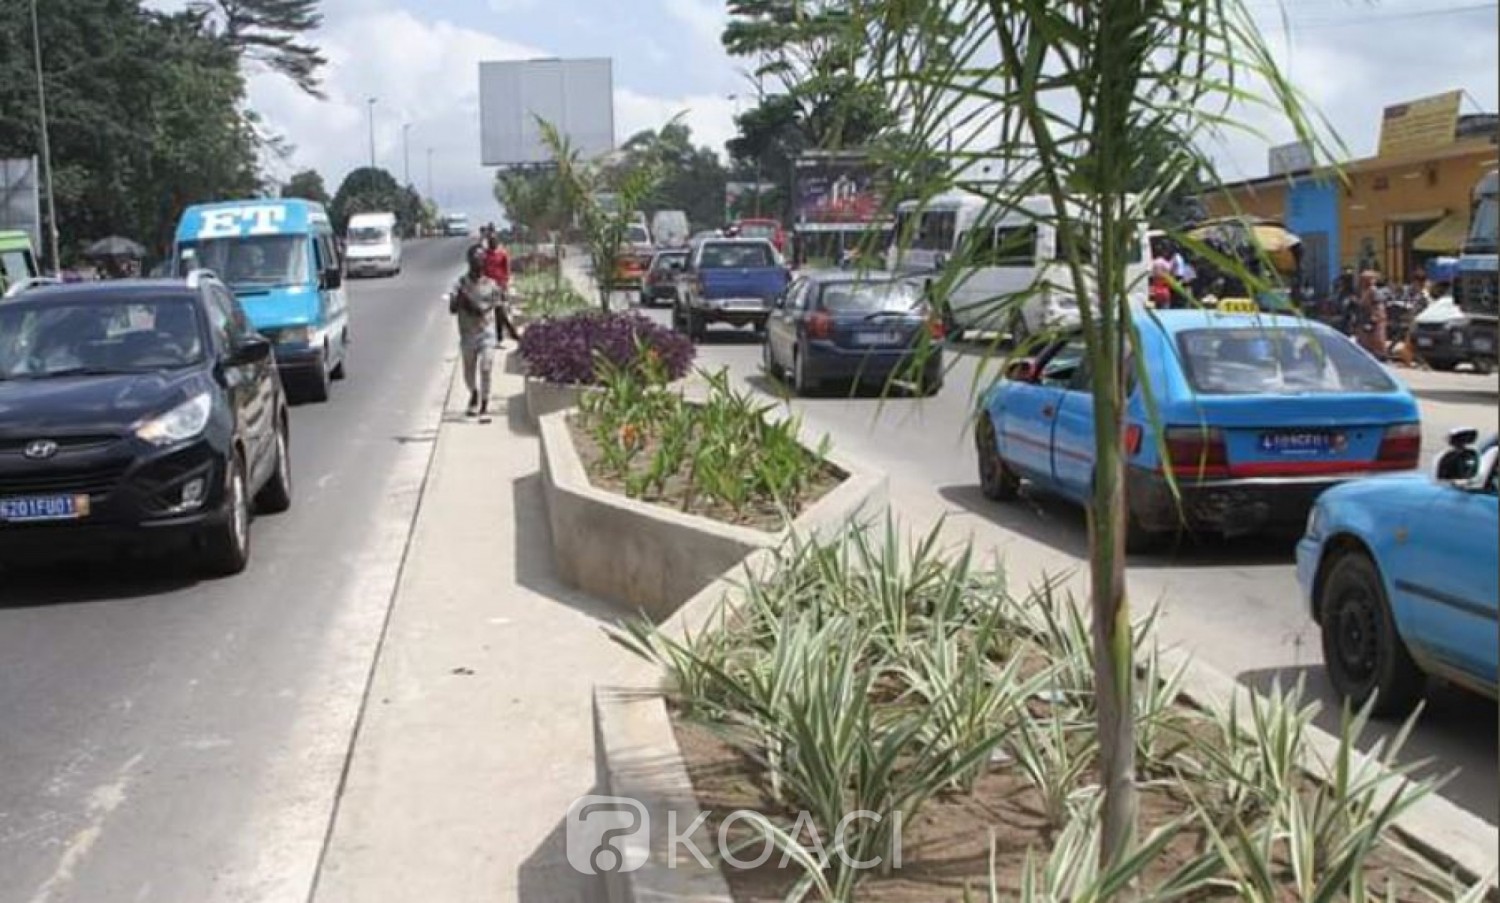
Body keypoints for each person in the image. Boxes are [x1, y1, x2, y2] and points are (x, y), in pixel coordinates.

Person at [448, 246, 503, 418]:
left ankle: (484, 406)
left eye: (481, 258)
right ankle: (474, 393)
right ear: (469, 261)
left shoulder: (491, 284)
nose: (478, 261)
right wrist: (461, 300)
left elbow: (499, 308)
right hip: (467, 334)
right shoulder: (460, 283)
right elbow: (452, 309)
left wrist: (503, 333)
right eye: (474, 258)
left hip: (487, 332)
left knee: (486, 367)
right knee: (468, 373)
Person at [482, 232, 520, 345]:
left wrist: (505, 283)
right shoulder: (485, 255)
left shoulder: (502, 254)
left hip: (499, 286)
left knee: (499, 311)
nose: (492, 243)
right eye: (490, 241)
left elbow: (507, 269)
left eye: (494, 241)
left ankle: (502, 336)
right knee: (489, 312)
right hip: (487, 286)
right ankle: (508, 334)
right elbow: (482, 269)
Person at [1355, 270, 1388, 360]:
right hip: (1364, 318)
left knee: (1376, 340)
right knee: (1363, 340)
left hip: (1373, 320)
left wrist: (1373, 319)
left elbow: (1378, 306)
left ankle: (1380, 357)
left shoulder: (1373, 290)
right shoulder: (1363, 290)